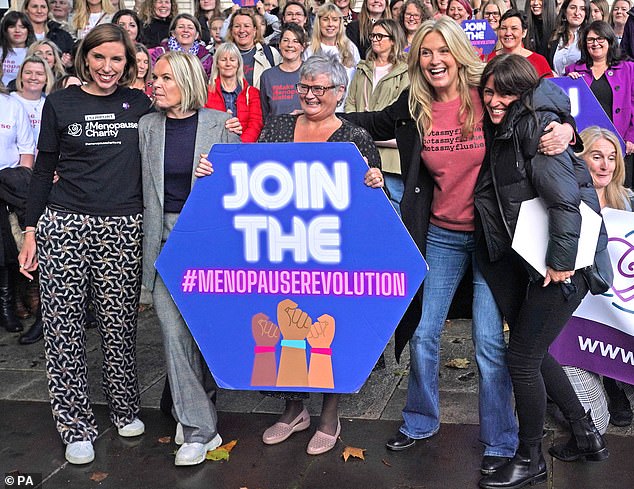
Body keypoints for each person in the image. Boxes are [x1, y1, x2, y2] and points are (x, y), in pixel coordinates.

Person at [342, 17, 518, 475]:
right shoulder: (412, 105)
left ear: (459, 52)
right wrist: (310, 115)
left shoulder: (487, 92)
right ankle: (420, 420)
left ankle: (501, 438)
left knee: (487, 342)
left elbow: (543, 100)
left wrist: (566, 130)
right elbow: (365, 120)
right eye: (425, 52)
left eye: (443, 50)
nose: (435, 60)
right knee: (422, 333)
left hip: (490, 237)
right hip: (440, 233)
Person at [196, 53, 382, 456]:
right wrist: (212, 174)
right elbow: (247, 177)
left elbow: (371, 204)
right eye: (305, 87)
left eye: (320, 88)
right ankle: (294, 409)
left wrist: (374, 180)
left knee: (330, 328)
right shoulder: (279, 127)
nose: (311, 95)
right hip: (279, 250)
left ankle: (330, 414)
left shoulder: (355, 138)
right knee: (284, 322)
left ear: (339, 92)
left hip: (333, 254)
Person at [18, 23, 154, 465]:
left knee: (118, 326)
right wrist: (32, 231)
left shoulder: (140, 104)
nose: (107, 67)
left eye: (117, 59)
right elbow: (43, 169)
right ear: (84, 59)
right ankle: (75, 423)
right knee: (63, 329)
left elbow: (179, 130)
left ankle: (124, 407)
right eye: (99, 58)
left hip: (123, 226)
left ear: (128, 62)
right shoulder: (61, 103)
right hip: (66, 223)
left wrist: (221, 125)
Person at [476, 53, 611, 489]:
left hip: (559, 268)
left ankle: (529, 457)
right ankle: (586, 434)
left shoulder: (539, 127)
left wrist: (559, 261)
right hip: (532, 263)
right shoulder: (515, 124)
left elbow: (564, 203)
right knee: (536, 353)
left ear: (524, 92)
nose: (494, 100)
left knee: (521, 358)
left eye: (504, 92)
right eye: (489, 91)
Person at [140, 51, 240, 466]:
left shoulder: (220, 124)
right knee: (171, 328)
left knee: (203, 333)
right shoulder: (147, 126)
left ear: (185, 81)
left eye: (164, 78)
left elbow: (240, 188)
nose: (155, 85)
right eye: (153, 78)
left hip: (207, 241)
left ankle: (195, 408)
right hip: (163, 240)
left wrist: (216, 176)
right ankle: (200, 429)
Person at [555, 126, 634, 432]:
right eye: (597, 156)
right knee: (595, 425)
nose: (605, 165)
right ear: (581, 158)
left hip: (616, 306)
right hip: (572, 305)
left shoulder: (627, 200)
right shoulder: (564, 198)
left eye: (612, 158)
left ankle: (615, 384)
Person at [345, 19, 409, 214]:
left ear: (393, 40)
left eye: (380, 36)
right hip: (362, 156)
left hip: (392, 161)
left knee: (394, 210)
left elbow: (397, 119)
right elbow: (350, 106)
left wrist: (366, 134)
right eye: (372, 35)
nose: (374, 40)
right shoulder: (362, 68)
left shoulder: (406, 72)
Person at [566, 20, 634, 186]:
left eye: (600, 38)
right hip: (586, 145)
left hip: (620, 143)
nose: (595, 43)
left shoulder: (628, 69)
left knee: (619, 192)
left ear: (610, 41)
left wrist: (631, 137)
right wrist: (569, 83)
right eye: (590, 40)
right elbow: (566, 107)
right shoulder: (573, 70)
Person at [0, 84, 35, 335]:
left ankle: (6, 306)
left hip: (6, 185)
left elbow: (26, 152)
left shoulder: (12, 105)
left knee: (7, 249)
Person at [205, 42, 263, 142]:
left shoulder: (252, 93)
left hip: (244, 150)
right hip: (215, 147)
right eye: (223, 60)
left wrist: (239, 146)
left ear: (238, 64)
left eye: (232, 60)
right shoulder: (206, 92)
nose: (228, 64)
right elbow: (204, 124)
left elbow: (255, 124)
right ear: (217, 64)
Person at [304, 3, 360, 107]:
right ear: (319, 22)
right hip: (320, 110)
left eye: (335, 20)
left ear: (340, 23)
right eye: (325, 19)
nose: (330, 24)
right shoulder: (310, 51)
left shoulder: (351, 48)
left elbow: (359, 80)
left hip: (348, 109)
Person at [225, 8, 281, 90]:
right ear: (231, 30)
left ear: (254, 30)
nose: (242, 30)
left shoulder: (270, 53)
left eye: (246, 26)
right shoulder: (223, 54)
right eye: (237, 26)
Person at [259, 22, 306, 122]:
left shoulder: (312, 73)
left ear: (303, 47)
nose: (290, 45)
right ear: (279, 45)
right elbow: (264, 114)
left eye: (295, 41)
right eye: (285, 40)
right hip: (276, 134)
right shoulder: (267, 76)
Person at [488, 10, 553, 77]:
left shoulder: (539, 61)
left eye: (514, 28)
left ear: (524, 32)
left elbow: (549, 86)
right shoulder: (488, 59)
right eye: (503, 28)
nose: (508, 33)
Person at [149, 13, 212, 78]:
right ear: (173, 33)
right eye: (181, 27)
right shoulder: (159, 53)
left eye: (190, 27)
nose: (185, 30)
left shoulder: (206, 58)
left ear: (196, 35)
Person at [22, 0, 73, 65]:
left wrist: (69, 62)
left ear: (48, 10)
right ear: (26, 9)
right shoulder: (19, 34)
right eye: (34, 7)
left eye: (43, 7)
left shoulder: (62, 35)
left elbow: (73, 60)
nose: (39, 11)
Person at [547, 0, 590, 76]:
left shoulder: (590, 37)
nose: (577, 13)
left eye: (582, 9)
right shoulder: (553, 35)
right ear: (565, 11)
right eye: (573, 8)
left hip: (579, 85)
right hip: (554, 85)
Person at [1, 12, 35, 87]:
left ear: (28, 31)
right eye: (12, 26)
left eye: (22, 27)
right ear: (5, 30)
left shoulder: (34, 52)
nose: (17, 30)